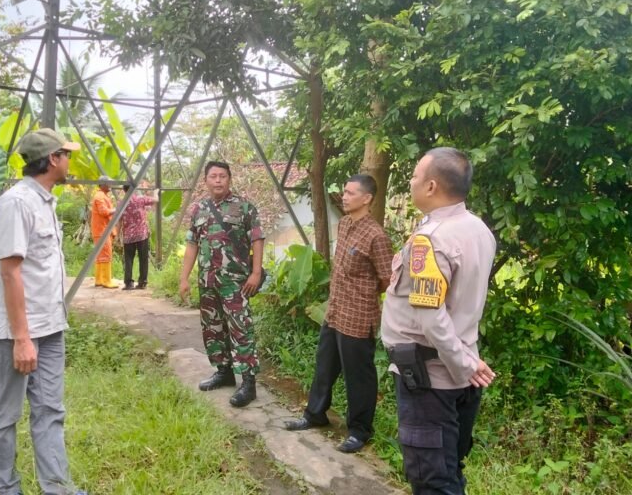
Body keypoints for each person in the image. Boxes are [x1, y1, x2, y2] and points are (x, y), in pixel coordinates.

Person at [0, 128, 87, 495]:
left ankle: (57, 488)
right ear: (53, 159)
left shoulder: (45, 202)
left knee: (50, 411)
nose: (70, 160)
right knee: (5, 416)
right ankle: (6, 489)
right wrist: (22, 339)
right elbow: (10, 272)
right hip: (13, 333)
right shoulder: (17, 203)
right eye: (66, 154)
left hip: (50, 327)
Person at [380, 147, 496, 494]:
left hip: (432, 381)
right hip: (460, 371)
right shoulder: (478, 229)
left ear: (431, 186)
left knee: (432, 480)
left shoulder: (430, 240)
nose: (411, 181)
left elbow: (431, 318)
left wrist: (463, 364)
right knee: (450, 470)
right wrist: (468, 362)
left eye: (415, 176)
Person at [284, 174, 393, 453]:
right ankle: (315, 414)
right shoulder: (344, 224)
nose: (344, 197)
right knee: (325, 365)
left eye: (350, 193)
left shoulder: (377, 236)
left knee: (359, 376)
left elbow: (386, 279)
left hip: (358, 315)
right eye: (343, 192)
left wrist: (363, 293)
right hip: (335, 310)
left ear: (367, 198)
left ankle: (359, 430)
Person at [179, 160, 264, 408]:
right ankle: (223, 371)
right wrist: (184, 278)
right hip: (208, 281)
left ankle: (248, 382)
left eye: (222, 176)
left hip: (236, 282)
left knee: (241, 328)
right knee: (213, 328)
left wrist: (256, 273)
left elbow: (257, 239)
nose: (218, 180)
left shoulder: (244, 207)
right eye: (213, 176)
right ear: (206, 180)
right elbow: (192, 244)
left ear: (230, 179)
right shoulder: (198, 210)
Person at [118, 184, 159, 290]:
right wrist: (156, 192)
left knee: (128, 259)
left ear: (124, 190)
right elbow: (155, 200)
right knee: (143, 259)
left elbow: (119, 220)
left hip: (128, 236)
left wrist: (118, 235)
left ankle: (128, 283)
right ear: (134, 189)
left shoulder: (121, 203)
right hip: (142, 235)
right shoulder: (140, 199)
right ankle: (142, 282)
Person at [91, 175, 119, 288]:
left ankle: (99, 279)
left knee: (100, 255)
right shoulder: (100, 197)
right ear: (103, 185)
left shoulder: (102, 195)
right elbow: (104, 212)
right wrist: (116, 209)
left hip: (101, 229)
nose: (110, 186)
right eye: (109, 183)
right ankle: (107, 280)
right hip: (102, 230)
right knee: (106, 254)